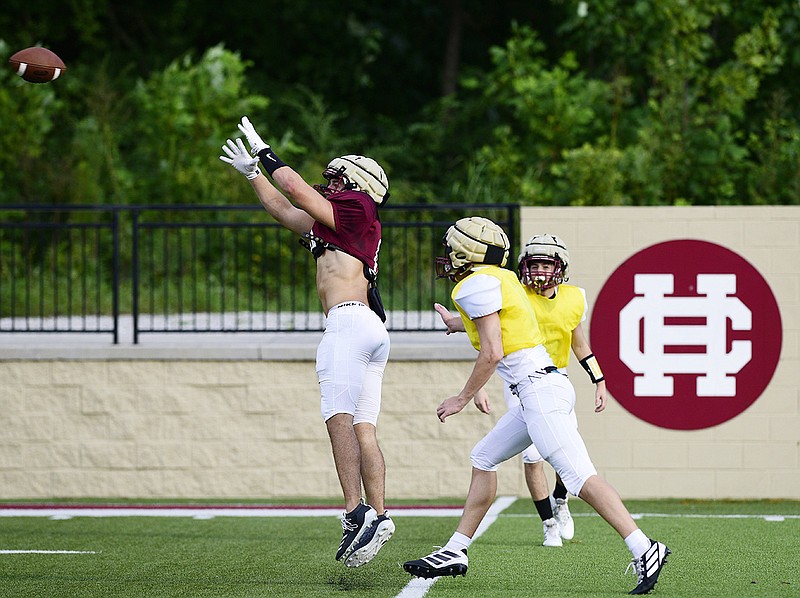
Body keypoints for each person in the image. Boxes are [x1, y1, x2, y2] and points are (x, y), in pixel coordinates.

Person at [403, 217, 670, 595]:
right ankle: (455, 549)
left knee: (579, 478)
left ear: (467, 251)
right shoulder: (503, 278)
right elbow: (506, 326)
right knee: (483, 457)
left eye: (453, 247)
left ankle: (645, 548)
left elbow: (493, 350)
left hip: (539, 390)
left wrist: (462, 397)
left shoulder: (473, 284)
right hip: (540, 387)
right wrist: (457, 324)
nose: (447, 254)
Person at [220, 117, 394, 568]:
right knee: (363, 427)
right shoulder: (337, 221)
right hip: (371, 327)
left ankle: (357, 513)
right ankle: (380, 513)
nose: (330, 183)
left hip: (350, 323)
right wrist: (254, 176)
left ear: (359, 184)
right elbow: (286, 210)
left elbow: (297, 191)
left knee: (337, 416)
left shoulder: (357, 206)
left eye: (337, 177)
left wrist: (266, 152)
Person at [434, 234, 606, 548]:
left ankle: (567, 504)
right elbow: (491, 336)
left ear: (560, 268)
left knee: (568, 465)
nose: (539, 270)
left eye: (546, 264)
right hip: (522, 383)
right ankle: (547, 523)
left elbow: (579, 345)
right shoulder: (515, 289)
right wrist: (457, 326)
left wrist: (599, 381)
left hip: (552, 381)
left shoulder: (573, 297)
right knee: (526, 456)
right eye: (534, 263)